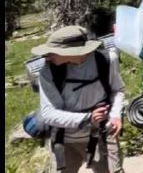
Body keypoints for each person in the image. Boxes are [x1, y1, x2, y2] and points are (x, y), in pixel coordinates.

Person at [34, 25, 125, 173]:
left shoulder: (106, 59)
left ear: (71, 52)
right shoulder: (48, 71)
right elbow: (48, 113)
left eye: (52, 52)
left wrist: (115, 115)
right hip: (65, 140)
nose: (47, 56)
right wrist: (88, 118)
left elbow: (117, 90)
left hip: (102, 134)